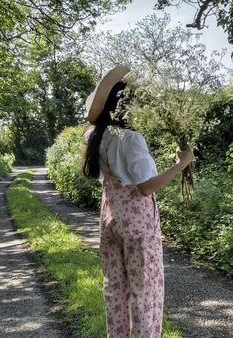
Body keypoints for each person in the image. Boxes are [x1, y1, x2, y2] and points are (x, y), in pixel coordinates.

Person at [83, 65, 194, 338]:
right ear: (123, 106)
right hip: (137, 225)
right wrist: (182, 163)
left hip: (110, 220)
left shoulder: (95, 136)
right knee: (145, 291)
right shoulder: (130, 138)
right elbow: (145, 187)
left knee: (115, 288)